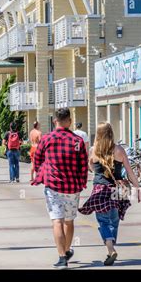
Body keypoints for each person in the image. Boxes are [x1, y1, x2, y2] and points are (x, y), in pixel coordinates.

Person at [79, 122, 141, 266]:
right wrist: (138, 188)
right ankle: (111, 246)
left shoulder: (93, 150)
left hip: (100, 190)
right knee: (114, 220)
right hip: (116, 190)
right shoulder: (119, 149)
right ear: (111, 133)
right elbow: (130, 171)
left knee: (103, 221)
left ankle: (110, 248)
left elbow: (91, 169)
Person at [32, 108, 88, 269]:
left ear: (55, 121)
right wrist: (82, 183)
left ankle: (62, 257)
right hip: (72, 187)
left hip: (53, 186)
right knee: (69, 222)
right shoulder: (77, 141)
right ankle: (67, 249)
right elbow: (83, 165)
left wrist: (40, 174)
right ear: (69, 121)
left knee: (57, 221)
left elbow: (37, 160)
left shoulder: (47, 138)